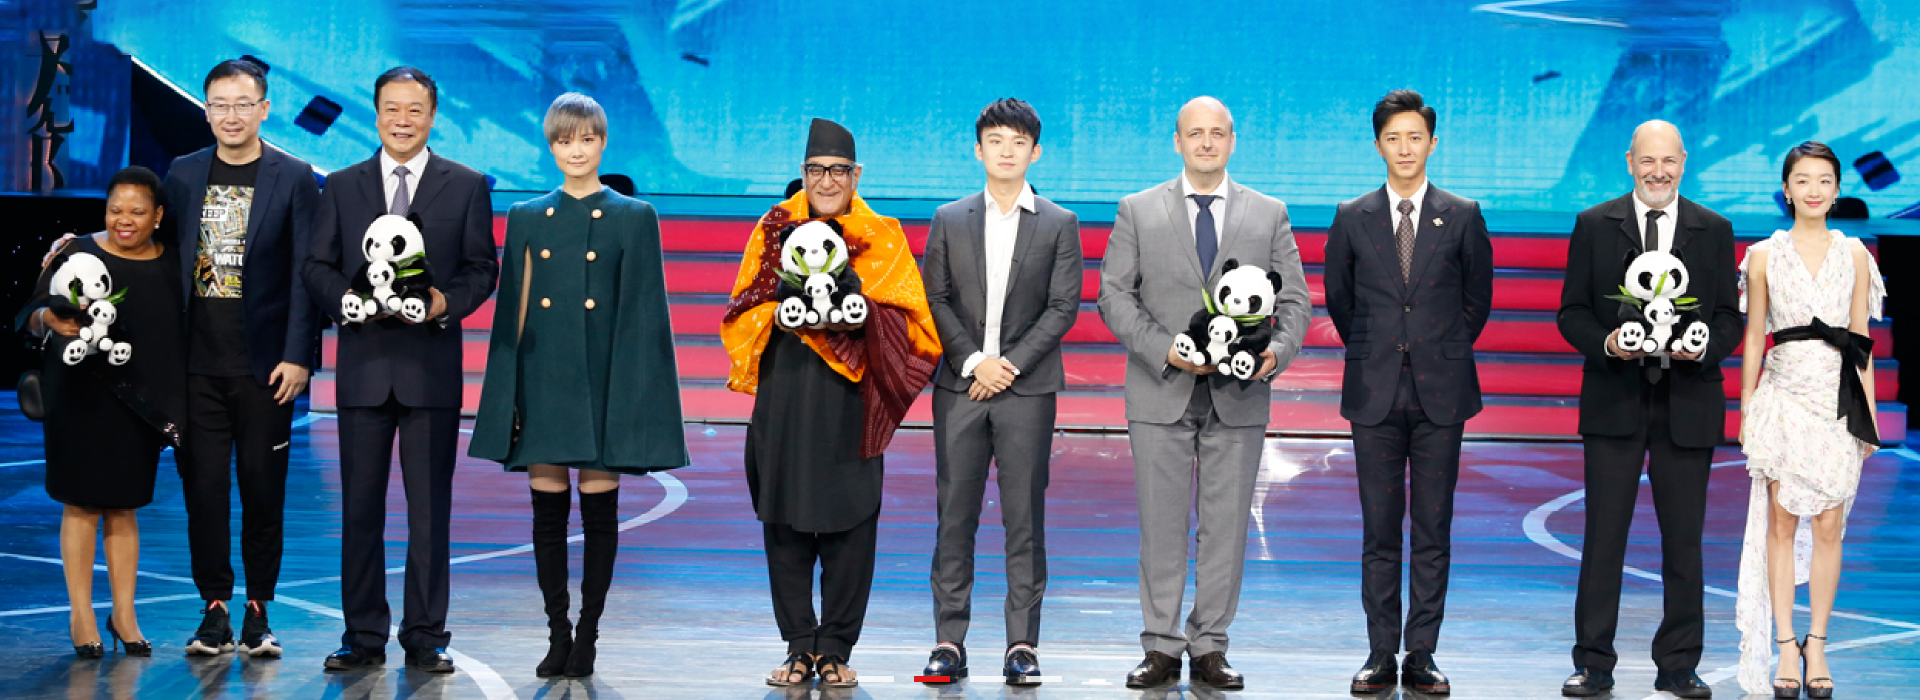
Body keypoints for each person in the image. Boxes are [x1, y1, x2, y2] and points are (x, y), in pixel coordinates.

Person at [470, 92, 690, 678]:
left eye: (587, 139)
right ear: (551, 145)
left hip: (603, 382)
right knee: (547, 517)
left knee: (598, 515)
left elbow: (644, 316)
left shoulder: (634, 216)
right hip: (544, 380)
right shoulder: (526, 216)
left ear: (603, 143)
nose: (576, 150)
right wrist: (509, 397)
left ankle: (588, 634)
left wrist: (635, 400)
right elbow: (513, 314)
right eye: (565, 140)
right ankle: (556, 633)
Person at [1098, 97, 1311, 690]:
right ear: (1177, 141)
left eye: (1217, 133)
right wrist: (1162, 347)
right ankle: (1161, 645)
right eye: (1196, 133)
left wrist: (1272, 356)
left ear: (1232, 140)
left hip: (1238, 395)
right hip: (1160, 388)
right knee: (1160, 526)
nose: (1207, 143)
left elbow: (1295, 301)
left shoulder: (1269, 213)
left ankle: (1210, 644)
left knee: (1226, 527)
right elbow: (1113, 295)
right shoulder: (1138, 209)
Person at [721, 118, 941, 688]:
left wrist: (860, 319)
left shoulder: (881, 235)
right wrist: (782, 315)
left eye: (838, 170)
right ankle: (799, 645)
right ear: (802, 173)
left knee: (852, 520)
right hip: (786, 392)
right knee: (783, 516)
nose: (826, 181)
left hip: (851, 399)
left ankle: (837, 648)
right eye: (816, 170)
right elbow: (741, 308)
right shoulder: (773, 228)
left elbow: (914, 321)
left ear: (856, 175)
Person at [301, 66, 499, 674]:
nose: (402, 121)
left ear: (432, 116)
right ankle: (362, 635)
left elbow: (481, 269)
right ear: (376, 113)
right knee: (359, 510)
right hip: (363, 369)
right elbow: (316, 265)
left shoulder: (465, 185)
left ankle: (425, 635)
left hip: (430, 370)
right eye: (392, 108)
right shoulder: (342, 185)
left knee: (429, 513)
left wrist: (442, 303)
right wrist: (345, 300)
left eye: (415, 110)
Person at [1556, 120, 1741, 699]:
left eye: (1668, 161)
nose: (1658, 172)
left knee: (1683, 542)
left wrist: (1703, 345)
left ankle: (1679, 664)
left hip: (1688, 402)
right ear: (1629, 161)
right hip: (1614, 399)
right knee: (1603, 538)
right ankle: (1593, 663)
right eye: (1647, 161)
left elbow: (1728, 317)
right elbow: (1572, 312)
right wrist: (1609, 343)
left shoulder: (1713, 228)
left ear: (1684, 162)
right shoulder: (1594, 224)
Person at [1325, 89, 1493, 696]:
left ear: (1432, 143)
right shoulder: (1352, 216)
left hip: (1441, 393)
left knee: (1433, 527)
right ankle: (1379, 651)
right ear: (1378, 146)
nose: (1404, 148)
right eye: (1393, 139)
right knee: (1379, 530)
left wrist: (1435, 349)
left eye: (1414, 138)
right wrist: (1383, 350)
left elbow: (1477, 301)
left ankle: (1421, 652)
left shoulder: (1463, 214)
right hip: (1373, 392)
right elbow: (1342, 302)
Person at [157, 57, 322, 660]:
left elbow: (307, 273)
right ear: (206, 110)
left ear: (264, 110)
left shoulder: (294, 176)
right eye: (220, 104)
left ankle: (257, 609)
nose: (231, 115)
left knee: (262, 490)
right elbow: (155, 255)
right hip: (194, 368)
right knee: (202, 491)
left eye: (242, 104)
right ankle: (214, 608)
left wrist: (300, 356)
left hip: (265, 369)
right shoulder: (182, 173)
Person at [919, 98, 1081, 686]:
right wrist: (972, 361)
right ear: (978, 149)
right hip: (959, 387)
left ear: (1035, 152)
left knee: (1024, 519)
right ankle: (948, 641)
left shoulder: (1059, 223)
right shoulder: (949, 218)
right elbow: (934, 298)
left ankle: (1022, 646)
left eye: (1018, 142)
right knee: (954, 515)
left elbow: (1063, 306)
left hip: (1026, 389)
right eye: (996, 141)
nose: (1006, 151)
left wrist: (1007, 365)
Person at [1733, 141, 1882, 699]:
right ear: (1787, 189)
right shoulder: (1763, 255)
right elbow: (1754, 338)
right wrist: (1746, 407)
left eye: (1824, 180)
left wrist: (1868, 417)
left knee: (1828, 525)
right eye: (1802, 180)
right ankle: (1784, 642)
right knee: (1781, 524)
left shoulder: (1856, 255)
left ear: (1837, 189)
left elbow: (1860, 339)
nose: (1813, 190)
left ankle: (1816, 642)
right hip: (1782, 396)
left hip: (1837, 401)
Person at [18, 167, 185, 659]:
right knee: (81, 503)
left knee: (124, 505)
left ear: (158, 215)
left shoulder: (174, 262)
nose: (124, 220)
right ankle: (82, 614)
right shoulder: (75, 252)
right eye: (115, 210)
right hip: (76, 395)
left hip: (140, 402)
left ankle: (124, 615)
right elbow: (29, 315)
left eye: (137, 211)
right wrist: (48, 319)